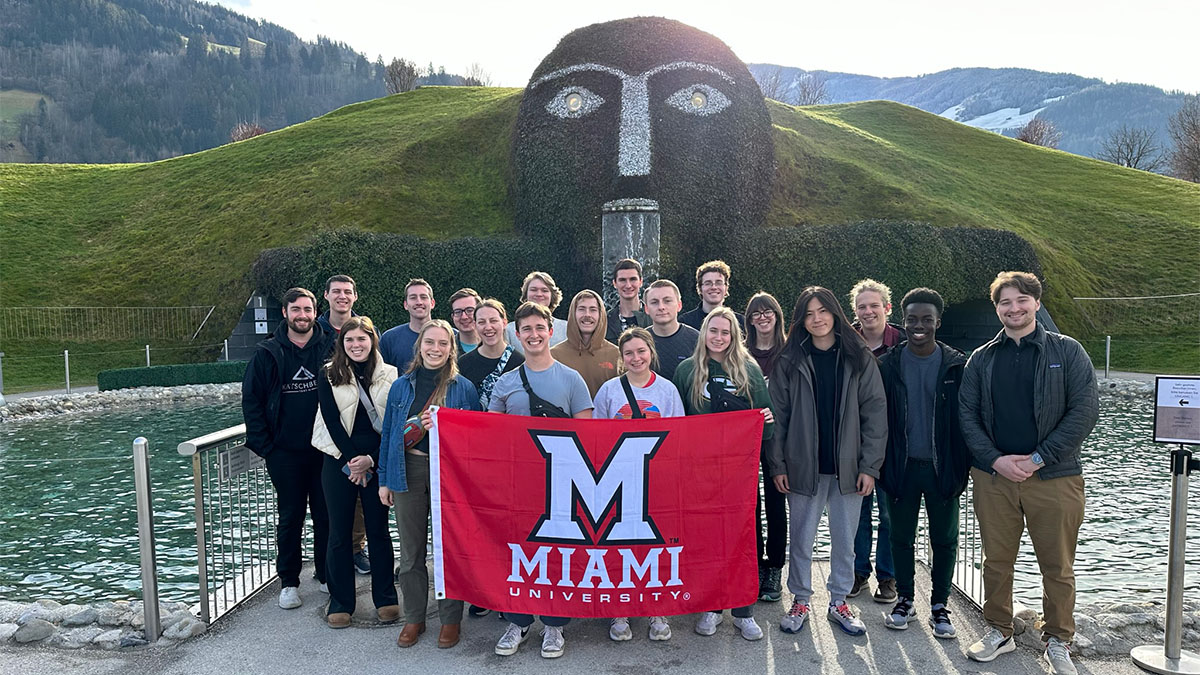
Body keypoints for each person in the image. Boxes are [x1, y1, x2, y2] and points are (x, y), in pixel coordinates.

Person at [960, 272, 1098, 675]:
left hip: (1055, 476)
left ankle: (1058, 640)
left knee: (1057, 565)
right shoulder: (981, 358)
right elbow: (967, 417)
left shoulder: (1068, 352)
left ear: (1036, 303)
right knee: (996, 560)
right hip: (995, 477)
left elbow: (1084, 412)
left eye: (1021, 300)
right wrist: (996, 460)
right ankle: (999, 630)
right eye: (1005, 302)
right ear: (997, 308)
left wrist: (1039, 458)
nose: (1014, 308)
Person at [767, 286, 886, 638]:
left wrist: (870, 467)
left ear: (835, 313)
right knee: (801, 539)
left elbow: (875, 414)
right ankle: (800, 599)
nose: (816, 319)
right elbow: (777, 417)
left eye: (823, 311)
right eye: (808, 313)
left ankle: (839, 602)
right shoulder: (789, 360)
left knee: (844, 540)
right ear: (800, 320)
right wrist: (778, 465)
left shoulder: (859, 356)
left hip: (848, 467)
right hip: (803, 467)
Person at [490, 302, 593, 659]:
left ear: (551, 331)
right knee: (517, 552)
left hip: (562, 481)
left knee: (556, 553)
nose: (533, 335)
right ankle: (517, 620)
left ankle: (554, 625)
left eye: (539, 328)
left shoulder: (571, 378)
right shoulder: (505, 383)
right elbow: (490, 434)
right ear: (517, 336)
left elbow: (588, 436)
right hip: (519, 482)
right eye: (526, 330)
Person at [672, 307, 774, 642]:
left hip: (739, 474)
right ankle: (711, 605)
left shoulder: (749, 369)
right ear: (704, 333)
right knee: (705, 538)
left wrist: (766, 422)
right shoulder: (687, 370)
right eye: (713, 331)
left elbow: (764, 424)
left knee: (742, 538)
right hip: (700, 474)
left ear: (734, 336)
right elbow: (678, 423)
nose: (718, 338)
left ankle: (743, 609)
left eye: (725, 332)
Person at [378, 319, 481, 650]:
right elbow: (391, 435)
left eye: (443, 343)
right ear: (419, 346)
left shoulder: (462, 387)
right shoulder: (400, 386)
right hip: (408, 469)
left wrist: (445, 427)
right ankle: (414, 617)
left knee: (449, 549)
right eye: (429, 343)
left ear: (451, 348)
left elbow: (475, 437)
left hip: (448, 474)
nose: (435, 349)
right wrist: (385, 479)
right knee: (410, 552)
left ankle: (450, 619)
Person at [876, 288, 969, 639]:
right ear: (903, 320)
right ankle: (905, 599)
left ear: (937, 322)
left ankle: (940, 605)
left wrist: (963, 466)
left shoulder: (956, 364)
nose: (919, 326)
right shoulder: (887, 365)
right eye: (912, 319)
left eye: (926, 320)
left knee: (944, 540)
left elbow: (968, 418)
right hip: (900, 467)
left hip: (942, 468)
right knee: (901, 538)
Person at [241, 287, 335, 610]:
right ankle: (289, 581)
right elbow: (251, 401)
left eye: (308, 309)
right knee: (290, 516)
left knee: (326, 515)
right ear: (285, 312)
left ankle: (325, 573)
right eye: (296, 309)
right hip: (285, 453)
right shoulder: (267, 352)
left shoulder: (330, 345)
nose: (303, 315)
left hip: (324, 449)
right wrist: (267, 447)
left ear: (314, 311)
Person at [592, 326, 685, 643]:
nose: (635, 357)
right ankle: (621, 608)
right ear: (622, 357)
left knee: (655, 545)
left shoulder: (667, 391)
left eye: (641, 351)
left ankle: (656, 608)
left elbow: (679, 437)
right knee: (619, 544)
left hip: (656, 478)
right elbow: (596, 439)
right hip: (618, 479)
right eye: (628, 353)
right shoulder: (608, 391)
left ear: (651, 353)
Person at [311, 316, 400, 629]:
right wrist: (353, 461)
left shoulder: (390, 374)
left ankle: (386, 598)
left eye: (361, 339)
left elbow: (392, 424)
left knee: (378, 531)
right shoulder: (328, 374)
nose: (356, 345)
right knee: (339, 532)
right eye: (349, 340)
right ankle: (341, 601)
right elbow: (332, 420)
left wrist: (371, 461)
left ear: (372, 340)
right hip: (339, 460)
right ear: (342, 344)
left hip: (376, 460)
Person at [455, 297, 523, 619]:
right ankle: (483, 591)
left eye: (493, 320)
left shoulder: (520, 361)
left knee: (508, 526)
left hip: (511, 457)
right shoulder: (463, 366)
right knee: (478, 525)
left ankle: (508, 589)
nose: (487, 327)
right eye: (481, 321)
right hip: (475, 457)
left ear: (503, 322)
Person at [848, 278, 901, 603]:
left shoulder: (905, 342)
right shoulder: (846, 343)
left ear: (887, 308)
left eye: (873, 305)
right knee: (857, 511)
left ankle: (888, 576)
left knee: (889, 514)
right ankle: (857, 572)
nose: (868, 312)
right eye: (862, 307)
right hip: (854, 443)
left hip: (894, 443)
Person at [316, 273, 372, 576]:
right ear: (326, 296)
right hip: (326, 431)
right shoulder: (316, 331)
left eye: (347, 291)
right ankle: (328, 565)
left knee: (361, 502)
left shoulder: (364, 328)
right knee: (328, 501)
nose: (342, 296)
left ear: (354, 296)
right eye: (336, 291)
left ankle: (356, 549)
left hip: (361, 434)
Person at [745, 292, 788, 603]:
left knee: (776, 502)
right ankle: (755, 564)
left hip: (780, 439)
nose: (762, 317)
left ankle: (774, 567)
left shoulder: (790, 353)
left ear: (777, 315)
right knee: (749, 504)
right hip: (746, 438)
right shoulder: (740, 353)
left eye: (767, 311)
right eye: (756, 313)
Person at [551, 289, 619, 397]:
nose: (587, 315)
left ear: (601, 314)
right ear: (573, 314)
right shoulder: (554, 356)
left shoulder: (617, 355)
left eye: (593, 310)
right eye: (582, 309)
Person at [643, 279, 700, 380]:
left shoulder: (697, 340)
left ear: (679, 305)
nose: (661, 307)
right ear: (646, 309)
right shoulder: (641, 341)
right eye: (654, 302)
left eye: (667, 301)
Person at [504, 271, 569, 353]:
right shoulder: (509, 331)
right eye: (533, 290)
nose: (539, 294)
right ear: (526, 294)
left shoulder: (566, 328)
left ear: (552, 295)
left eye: (544, 290)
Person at [379, 279, 436, 370]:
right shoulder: (389, 339)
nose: (419, 302)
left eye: (423, 297)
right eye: (413, 297)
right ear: (405, 305)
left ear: (432, 303)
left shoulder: (451, 336)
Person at [678, 260, 746, 331]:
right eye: (708, 283)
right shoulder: (685, 322)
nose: (713, 287)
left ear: (726, 288)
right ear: (700, 288)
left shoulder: (740, 322)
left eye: (718, 283)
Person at [606, 258, 652, 341]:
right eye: (622, 280)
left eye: (633, 279)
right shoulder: (605, 321)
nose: (628, 285)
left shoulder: (654, 317)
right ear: (615, 283)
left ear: (641, 282)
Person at [449, 288, 482, 355]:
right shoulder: (447, 349)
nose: (464, 317)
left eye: (469, 310)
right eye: (458, 312)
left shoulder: (494, 346)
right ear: (453, 317)